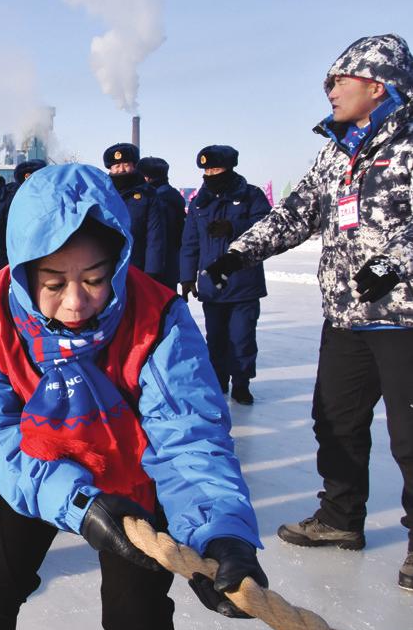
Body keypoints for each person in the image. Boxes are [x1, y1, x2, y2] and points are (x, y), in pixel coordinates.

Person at [0, 164, 265, 630]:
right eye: (53, 284)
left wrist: (220, 532)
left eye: (95, 278)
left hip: (132, 472)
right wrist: (75, 501)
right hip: (38, 463)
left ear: (119, 264)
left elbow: (187, 434)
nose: (76, 303)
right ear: (24, 272)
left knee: (136, 616)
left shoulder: (158, 316)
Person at [205, 34, 413, 589]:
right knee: (334, 421)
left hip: (403, 317)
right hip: (345, 314)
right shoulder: (334, 153)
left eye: (338, 80)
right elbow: (296, 214)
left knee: (410, 434)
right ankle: (341, 519)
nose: (329, 91)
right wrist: (237, 254)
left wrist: (394, 262)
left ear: (377, 84)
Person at [179, 146, 270, 405]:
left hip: (243, 283)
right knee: (215, 337)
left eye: (216, 169)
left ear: (230, 168)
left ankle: (242, 381)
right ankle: (218, 378)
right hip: (211, 286)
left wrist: (234, 227)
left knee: (241, 338)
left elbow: (266, 229)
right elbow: (190, 242)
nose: (210, 174)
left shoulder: (251, 196)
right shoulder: (200, 202)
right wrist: (187, 277)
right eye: (206, 170)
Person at [103, 143, 167, 283]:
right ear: (110, 169)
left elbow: (155, 236)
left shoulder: (148, 194)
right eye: (116, 166)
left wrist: (152, 272)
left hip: (137, 265)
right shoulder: (102, 193)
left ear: (134, 165)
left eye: (126, 164)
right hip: (107, 266)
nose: (121, 170)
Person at [137, 155, 187, 289]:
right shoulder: (173, 198)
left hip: (153, 270)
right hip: (171, 267)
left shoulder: (156, 201)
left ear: (146, 177)